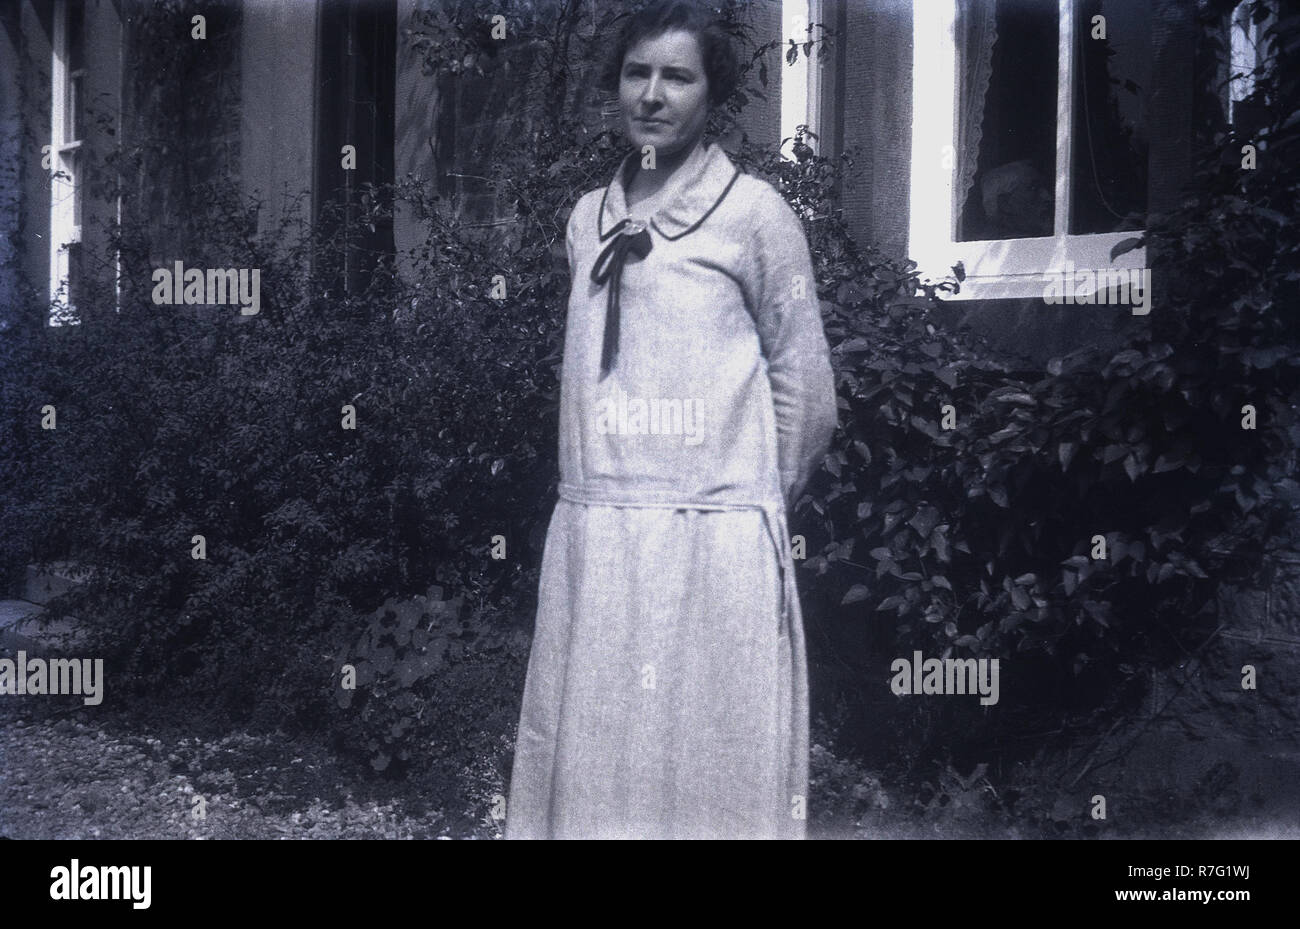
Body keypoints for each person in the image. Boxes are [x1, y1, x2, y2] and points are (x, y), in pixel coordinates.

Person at [505, 0, 837, 839]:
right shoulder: (588, 218)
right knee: (595, 754)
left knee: (705, 765)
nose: (652, 95)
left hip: (711, 541)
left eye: (677, 76)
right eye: (637, 73)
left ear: (712, 93)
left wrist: (738, 508)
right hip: (598, 535)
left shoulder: (757, 216)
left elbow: (806, 387)